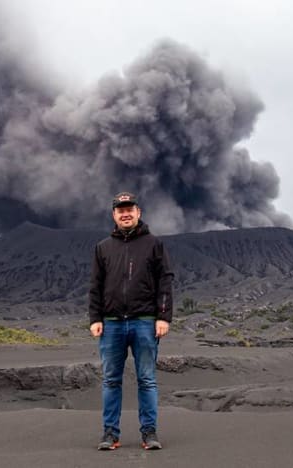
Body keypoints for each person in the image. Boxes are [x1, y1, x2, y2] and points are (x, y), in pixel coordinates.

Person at [88, 191, 174, 451]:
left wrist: (163, 317)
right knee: (111, 380)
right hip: (112, 323)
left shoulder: (154, 244)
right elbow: (95, 285)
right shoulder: (103, 247)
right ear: (114, 215)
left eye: (130, 208)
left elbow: (165, 281)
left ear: (138, 212)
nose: (125, 213)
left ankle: (149, 432)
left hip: (145, 322)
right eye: (120, 209)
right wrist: (95, 318)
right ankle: (110, 434)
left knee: (146, 379)